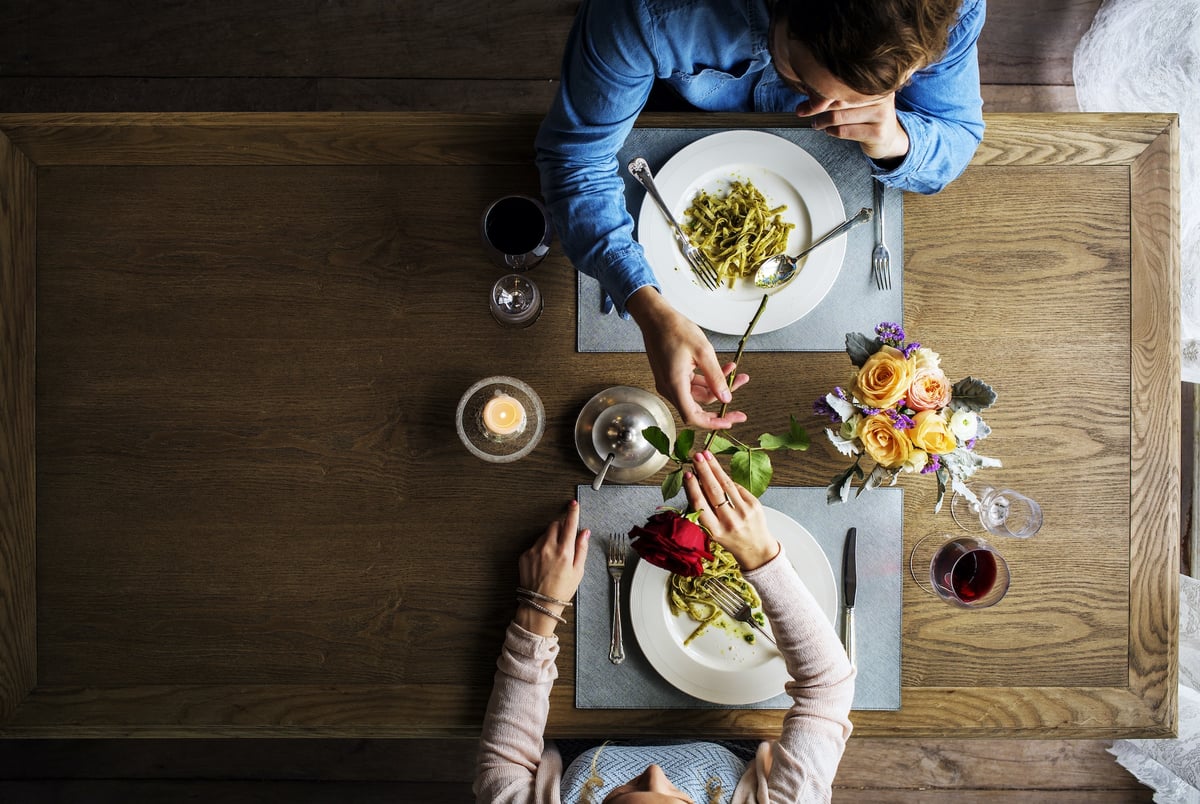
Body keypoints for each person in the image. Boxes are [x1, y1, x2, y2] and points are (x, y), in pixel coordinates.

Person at [535, 0, 985, 430]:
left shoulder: (949, 9)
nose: (819, 106)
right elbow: (576, 163)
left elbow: (958, 133)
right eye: (808, 87)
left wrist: (897, 140)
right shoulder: (645, 10)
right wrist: (645, 304)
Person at [474, 453, 855, 802]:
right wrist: (760, 557)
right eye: (677, 798)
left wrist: (538, 610)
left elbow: (503, 762)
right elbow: (827, 685)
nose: (655, 771)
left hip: (581, 730)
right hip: (736, 731)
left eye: (629, 789)